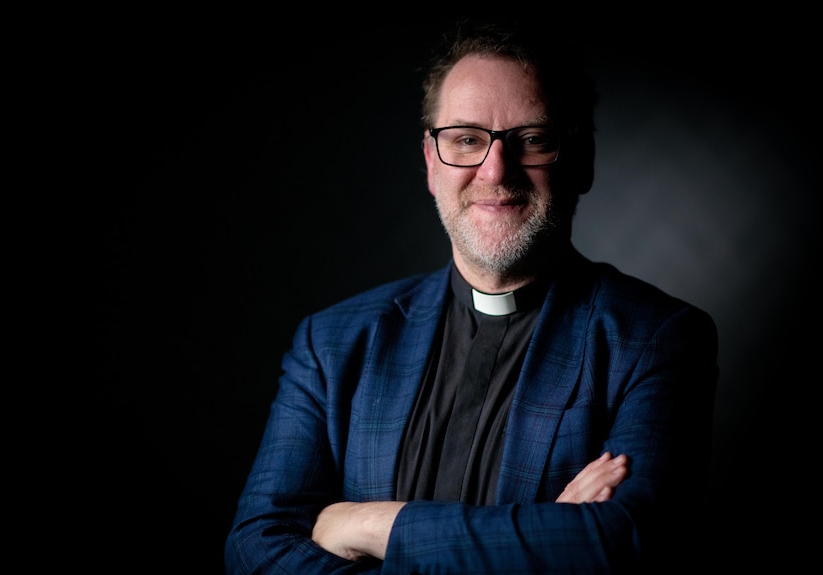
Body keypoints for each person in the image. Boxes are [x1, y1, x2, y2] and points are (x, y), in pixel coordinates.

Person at [225, 19, 718, 574]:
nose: (495, 170)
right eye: (465, 140)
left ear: (581, 162)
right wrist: (541, 544)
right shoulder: (332, 342)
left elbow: (625, 542)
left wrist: (368, 525)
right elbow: (254, 549)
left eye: (532, 140)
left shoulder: (656, 339)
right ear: (432, 164)